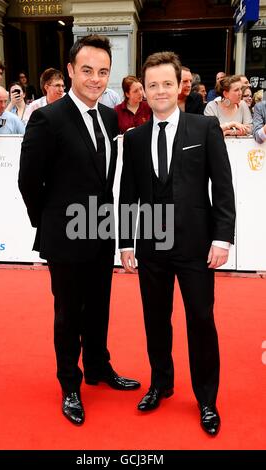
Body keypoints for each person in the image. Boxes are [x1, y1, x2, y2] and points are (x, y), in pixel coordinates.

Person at [18, 34, 140, 427]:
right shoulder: (47, 118)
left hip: (101, 230)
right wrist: (51, 222)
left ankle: (99, 367)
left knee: (100, 306)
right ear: (70, 70)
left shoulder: (108, 117)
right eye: (87, 70)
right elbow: (27, 181)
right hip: (65, 235)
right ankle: (70, 383)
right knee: (69, 313)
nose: (96, 79)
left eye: (103, 72)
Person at [119, 51, 235, 436]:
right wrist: (125, 243)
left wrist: (222, 238)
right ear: (144, 92)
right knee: (156, 320)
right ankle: (160, 383)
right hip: (151, 246)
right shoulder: (134, 139)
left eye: (166, 83)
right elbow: (127, 194)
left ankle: (206, 398)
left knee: (201, 320)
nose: (160, 90)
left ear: (179, 85)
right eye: (152, 85)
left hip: (196, 246)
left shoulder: (204, 128)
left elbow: (222, 186)